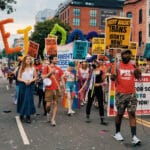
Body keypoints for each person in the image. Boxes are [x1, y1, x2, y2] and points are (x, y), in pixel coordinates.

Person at [111, 49, 142, 145]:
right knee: (120, 114)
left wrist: (138, 71)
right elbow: (112, 78)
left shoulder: (133, 65)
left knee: (132, 114)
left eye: (129, 54)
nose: (127, 55)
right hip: (121, 94)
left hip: (132, 94)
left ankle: (134, 136)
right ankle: (117, 133)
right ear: (122, 55)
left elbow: (138, 77)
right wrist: (114, 75)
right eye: (125, 54)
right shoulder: (117, 65)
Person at [42, 55, 64, 126]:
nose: (57, 60)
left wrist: (63, 87)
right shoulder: (47, 68)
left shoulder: (59, 68)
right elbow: (43, 77)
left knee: (55, 103)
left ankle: (53, 119)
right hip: (49, 88)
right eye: (55, 59)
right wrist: (50, 72)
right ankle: (48, 113)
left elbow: (62, 78)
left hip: (56, 88)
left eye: (57, 59)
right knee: (48, 105)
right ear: (51, 60)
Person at [85, 60, 108, 125]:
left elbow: (105, 82)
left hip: (99, 89)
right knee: (89, 102)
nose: (94, 64)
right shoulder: (91, 72)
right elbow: (88, 79)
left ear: (98, 64)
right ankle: (87, 116)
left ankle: (102, 119)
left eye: (95, 63)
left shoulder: (101, 72)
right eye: (93, 63)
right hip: (91, 89)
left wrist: (100, 84)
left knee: (101, 103)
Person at [17, 55, 37, 123]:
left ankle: (28, 116)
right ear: (24, 61)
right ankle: (22, 113)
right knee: (22, 99)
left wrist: (31, 81)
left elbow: (35, 77)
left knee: (28, 100)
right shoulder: (21, 68)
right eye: (27, 59)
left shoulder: (33, 68)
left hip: (30, 85)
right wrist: (24, 81)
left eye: (29, 59)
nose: (28, 60)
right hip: (23, 85)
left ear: (31, 60)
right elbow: (18, 78)